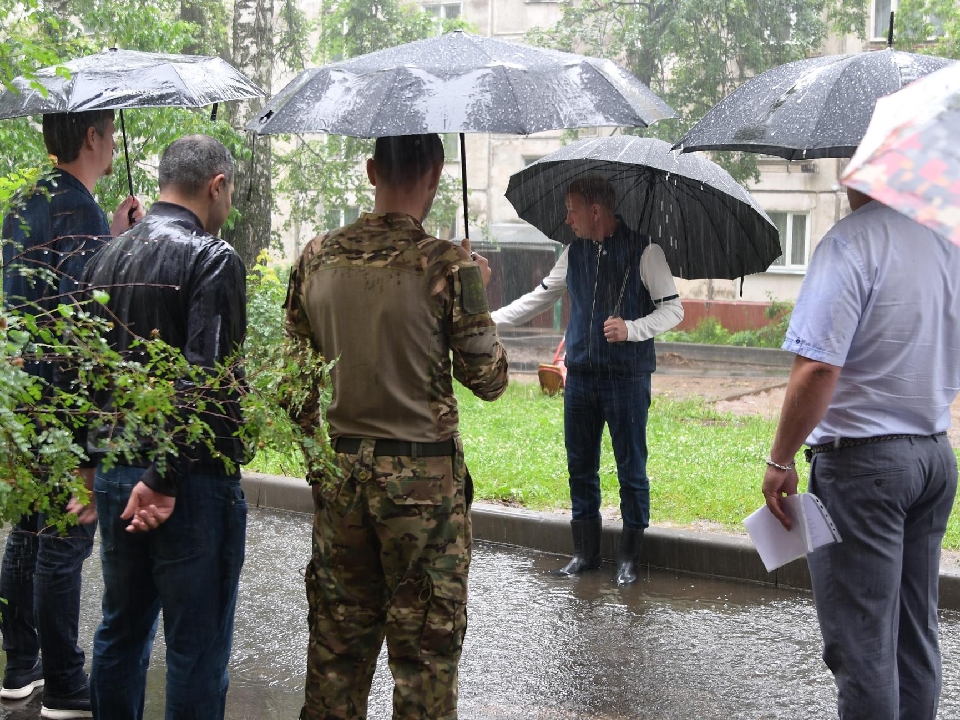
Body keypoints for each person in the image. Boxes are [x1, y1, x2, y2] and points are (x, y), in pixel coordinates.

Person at [285, 133, 508, 720]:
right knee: (424, 659)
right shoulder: (446, 264)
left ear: (370, 171)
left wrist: (321, 463)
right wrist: (473, 288)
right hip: (424, 494)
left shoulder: (315, 258)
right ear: (435, 175)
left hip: (341, 478)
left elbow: (292, 385)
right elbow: (488, 379)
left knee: (336, 653)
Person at [66, 135, 247, 720]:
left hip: (120, 475)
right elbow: (207, 378)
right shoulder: (213, 257)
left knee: (120, 632)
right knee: (195, 647)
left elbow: (85, 371)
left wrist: (86, 464)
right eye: (230, 191)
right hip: (185, 485)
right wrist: (165, 480)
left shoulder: (106, 256)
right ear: (216, 185)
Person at [762, 187, 960, 720]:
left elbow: (818, 368)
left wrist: (781, 459)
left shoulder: (851, 243)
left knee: (863, 646)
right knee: (914, 636)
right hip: (934, 458)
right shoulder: (947, 244)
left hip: (865, 468)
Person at [0, 109, 142, 718]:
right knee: (63, 541)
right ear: (92, 138)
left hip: (22, 399)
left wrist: (109, 236)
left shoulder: (23, 201)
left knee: (26, 538)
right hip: (65, 407)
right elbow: (89, 322)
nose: (112, 146)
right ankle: (63, 683)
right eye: (110, 135)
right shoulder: (79, 213)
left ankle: (19, 666)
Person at [492, 176, 682, 585]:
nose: (567, 218)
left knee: (631, 468)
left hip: (627, 379)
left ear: (595, 211)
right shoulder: (573, 253)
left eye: (572, 209)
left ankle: (629, 560)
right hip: (580, 377)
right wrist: (486, 321)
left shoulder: (646, 251)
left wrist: (631, 329)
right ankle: (586, 555)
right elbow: (539, 297)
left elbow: (673, 310)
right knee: (580, 467)